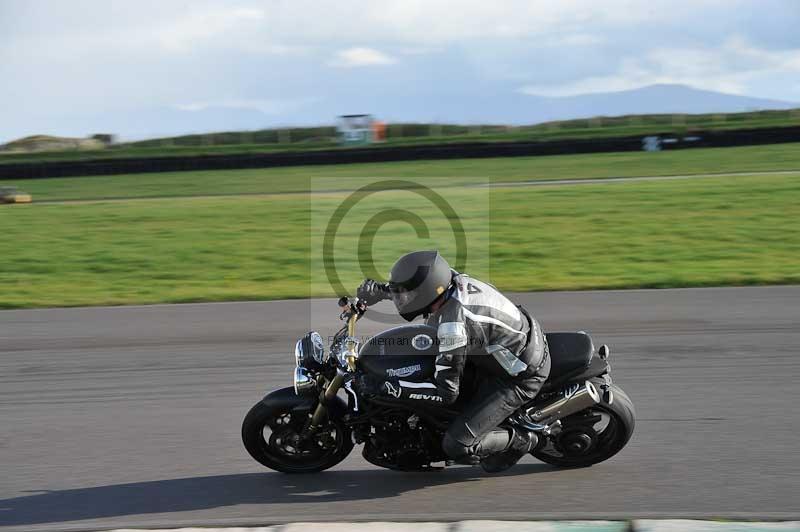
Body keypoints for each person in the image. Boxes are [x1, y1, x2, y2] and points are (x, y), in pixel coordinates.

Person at [357, 250, 551, 472]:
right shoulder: (451, 279)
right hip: (504, 344)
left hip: (519, 376)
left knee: (457, 444)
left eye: (406, 294)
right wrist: (383, 292)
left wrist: (392, 388)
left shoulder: (453, 328)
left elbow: (447, 393)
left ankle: (522, 440)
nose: (404, 298)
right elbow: (422, 290)